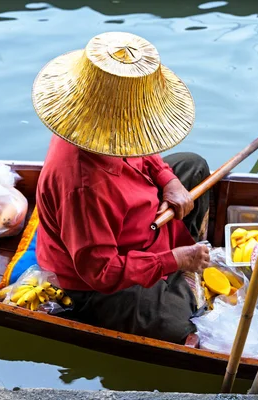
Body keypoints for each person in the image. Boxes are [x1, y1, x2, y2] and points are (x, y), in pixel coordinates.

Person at [32, 32, 211, 344]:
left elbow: (142, 148)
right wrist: (174, 261)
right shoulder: (84, 187)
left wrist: (167, 179)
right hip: (95, 278)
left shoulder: (101, 124)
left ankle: (182, 269)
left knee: (192, 165)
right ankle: (183, 272)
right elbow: (100, 271)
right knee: (176, 327)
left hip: (140, 215)